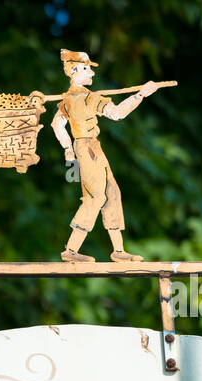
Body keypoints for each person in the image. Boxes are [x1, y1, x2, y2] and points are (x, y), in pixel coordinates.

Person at [49, 50, 159, 263]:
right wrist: (140, 95)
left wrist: (68, 148)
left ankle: (118, 250)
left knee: (112, 192)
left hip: (92, 149)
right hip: (87, 150)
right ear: (74, 71)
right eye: (86, 68)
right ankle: (71, 249)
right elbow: (117, 113)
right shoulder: (87, 98)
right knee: (96, 196)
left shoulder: (70, 100)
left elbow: (57, 125)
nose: (91, 73)